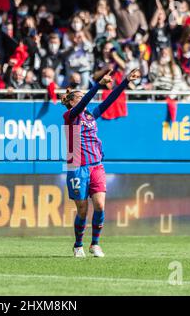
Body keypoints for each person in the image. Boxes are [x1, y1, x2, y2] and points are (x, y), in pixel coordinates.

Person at [62, 67, 140, 258]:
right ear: (72, 102)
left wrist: (125, 82)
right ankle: (78, 245)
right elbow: (87, 100)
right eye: (78, 97)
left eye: (82, 96)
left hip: (96, 165)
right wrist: (97, 85)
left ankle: (95, 244)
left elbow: (109, 100)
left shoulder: (90, 115)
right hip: (78, 167)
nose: (83, 99)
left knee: (100, 205)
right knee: (82, 209)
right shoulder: (70, 116)